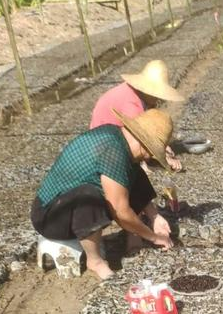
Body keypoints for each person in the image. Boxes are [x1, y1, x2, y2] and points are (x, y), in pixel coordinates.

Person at [31, 109, 175, 282]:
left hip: (64, 205)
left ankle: (132, 234)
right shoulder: (113, 151)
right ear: (145, 146)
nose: (150, 156)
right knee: (90, 195)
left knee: (132, 169)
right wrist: (153, 237)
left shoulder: (116, 136)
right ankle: (95, 260)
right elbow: (120, 211)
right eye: (151, 151)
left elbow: (133, 175)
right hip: (50, 216)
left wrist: (154, 217)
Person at [90, 60, 184, 172]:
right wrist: (164, 157)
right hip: (103, 147)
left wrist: (163, 145)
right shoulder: (132, 104)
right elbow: (141, 137)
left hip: (105, 137)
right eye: (157, 94)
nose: (158, 99)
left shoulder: (132, 91)